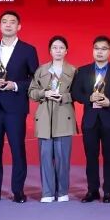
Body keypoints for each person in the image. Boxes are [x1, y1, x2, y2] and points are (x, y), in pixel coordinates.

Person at [0, 10, 39, 204]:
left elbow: (36, 78)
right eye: (4, 21)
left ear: (19, 26)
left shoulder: (28, 50)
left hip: (15, 107)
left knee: (17, 149)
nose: (8, 24)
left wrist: (16, 85)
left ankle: (18, 190)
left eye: (12, 22)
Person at [71, 36, 110, 203]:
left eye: (104, 49)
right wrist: (88, 98)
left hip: (109, 120)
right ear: (93, 50)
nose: (100, 52)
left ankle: (108, 191)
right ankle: (92, 190)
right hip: (90, 121)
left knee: (109, 157)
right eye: (96, 48)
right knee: (91, 157)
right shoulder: (82, 71)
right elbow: (75, 93)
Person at [28, 36, 78, 203]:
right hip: (44, 116)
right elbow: (31, 92)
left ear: (66, 51)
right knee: (45, 157)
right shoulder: (41, 70)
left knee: (63, 157)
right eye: (55, 47)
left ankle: (62, 191)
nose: (58, 50)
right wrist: (44, 93)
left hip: (64, 114)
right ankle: (47, 192)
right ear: (50, 50)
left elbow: (79, 94)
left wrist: (64, 96)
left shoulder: (73, 71)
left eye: (61, 47)